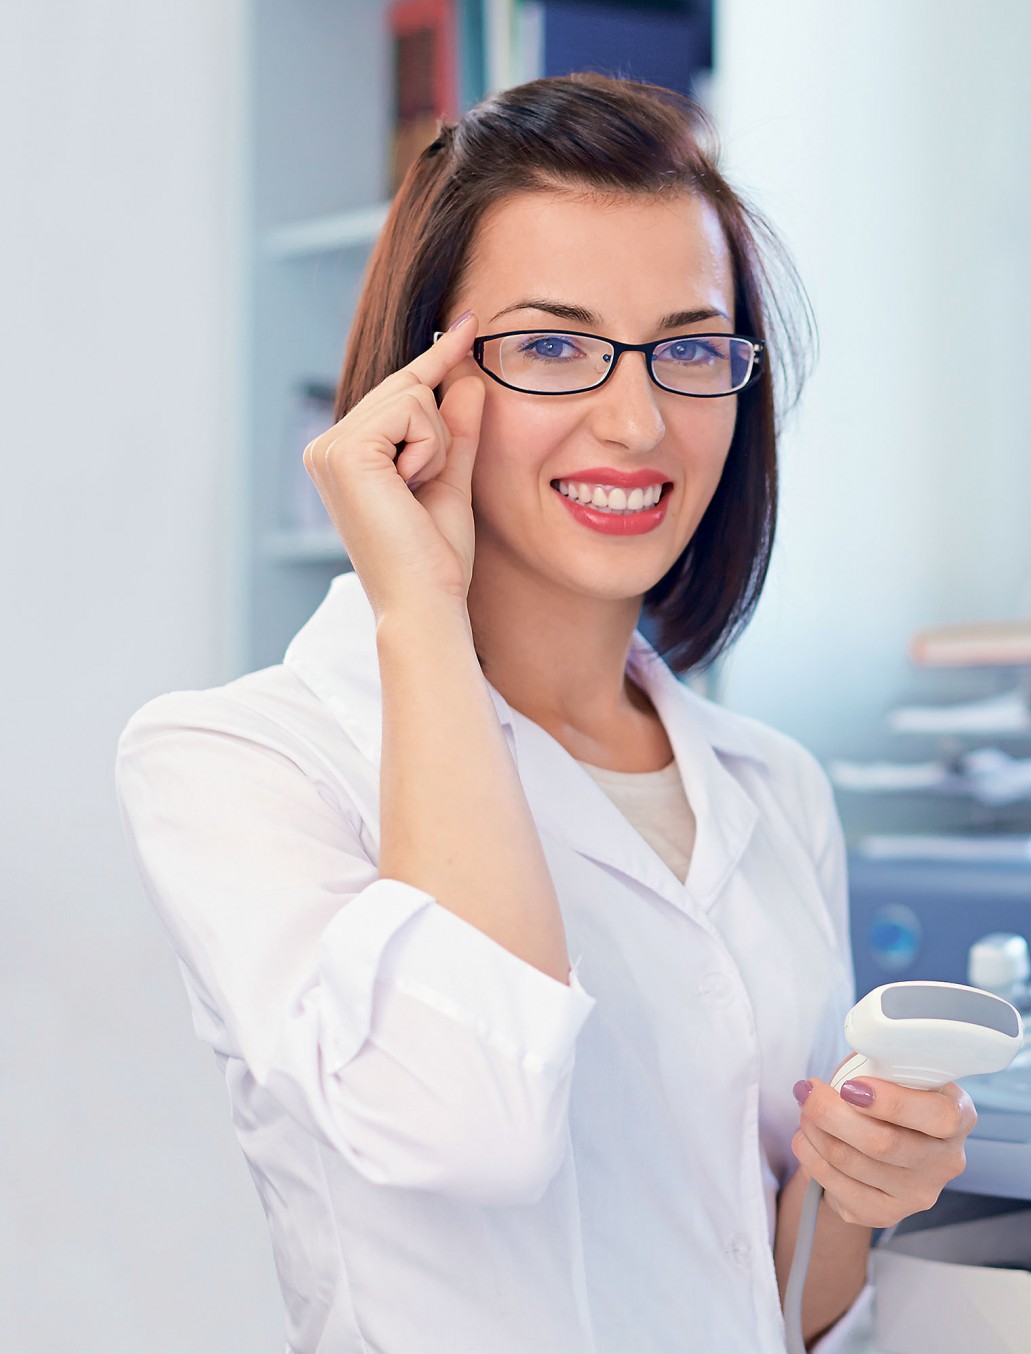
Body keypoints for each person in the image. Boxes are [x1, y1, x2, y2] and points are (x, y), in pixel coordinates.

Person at [113, 74, 971, 1353]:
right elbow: (471, 1126)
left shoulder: (770, 783)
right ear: (421, 384)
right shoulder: (238, 763)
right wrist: (418, 609)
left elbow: (772, 1302)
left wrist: (856, 1184)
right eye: (552, 347)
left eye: (690, 348)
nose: (637, 421)